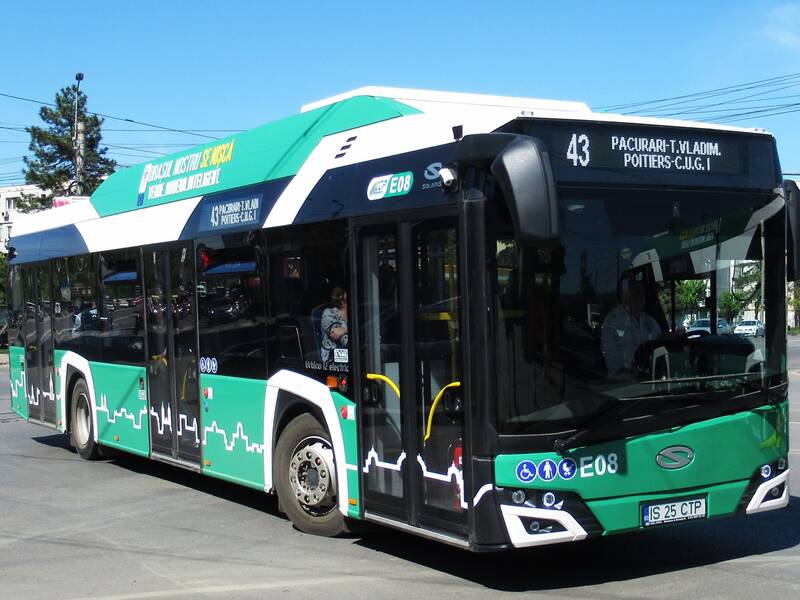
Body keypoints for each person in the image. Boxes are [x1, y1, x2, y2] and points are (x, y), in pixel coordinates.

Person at [601, 273, 661, 376]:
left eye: (642, 290)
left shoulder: (651, 322)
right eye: (635, 291)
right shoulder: (612, 322)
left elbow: (659, 348)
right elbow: (614, 367)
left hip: (653, 379)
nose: (641, 295)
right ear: (622, 295)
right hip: (626, 383)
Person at [320, 287, 348, 364]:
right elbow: (343, 340)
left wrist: (344, 330)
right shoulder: (328, 313)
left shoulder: (355, 313)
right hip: (333, 364)